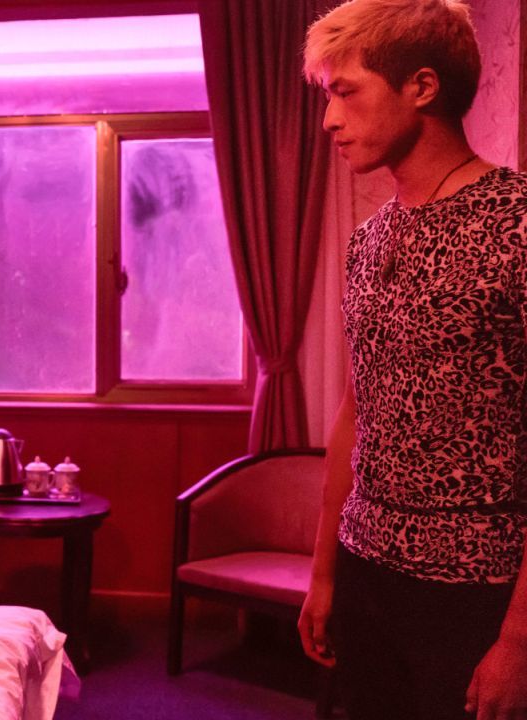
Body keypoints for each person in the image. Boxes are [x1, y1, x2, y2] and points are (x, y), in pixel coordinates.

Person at [297, 1, 527, 718]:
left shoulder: (517, 223)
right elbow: (355, 410)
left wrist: (519, 639)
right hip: (366, 568)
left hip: (478, 588)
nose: (329, 120)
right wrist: (324, 573)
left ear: (421, 87)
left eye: (345, 92)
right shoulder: (369, 239)